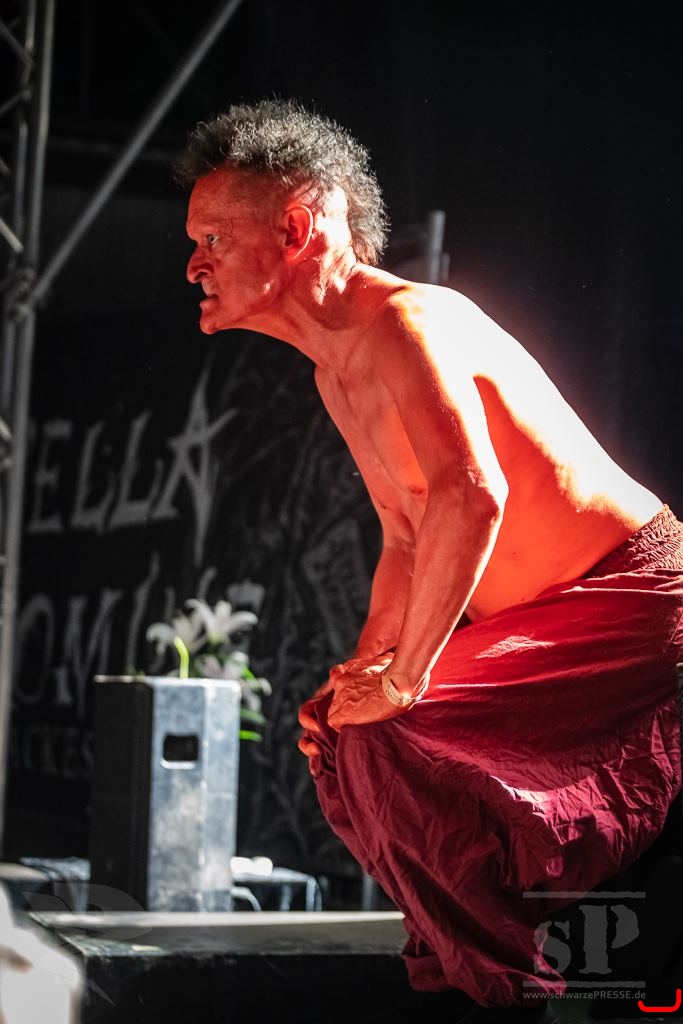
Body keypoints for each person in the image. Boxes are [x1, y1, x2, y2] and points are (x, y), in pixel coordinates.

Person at [174, 99, 682, 1023]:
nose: (193, 265)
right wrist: (365, 668)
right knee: (346, 732)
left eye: (212, 237)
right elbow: (407, 538)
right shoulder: (336, 370)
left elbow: (471, 495)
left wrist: (404, 678)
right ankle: (484, 978)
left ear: (297, 228)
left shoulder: (408, 321)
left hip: (636, 604)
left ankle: (508, 993)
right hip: (545, 623)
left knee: (387, 735)